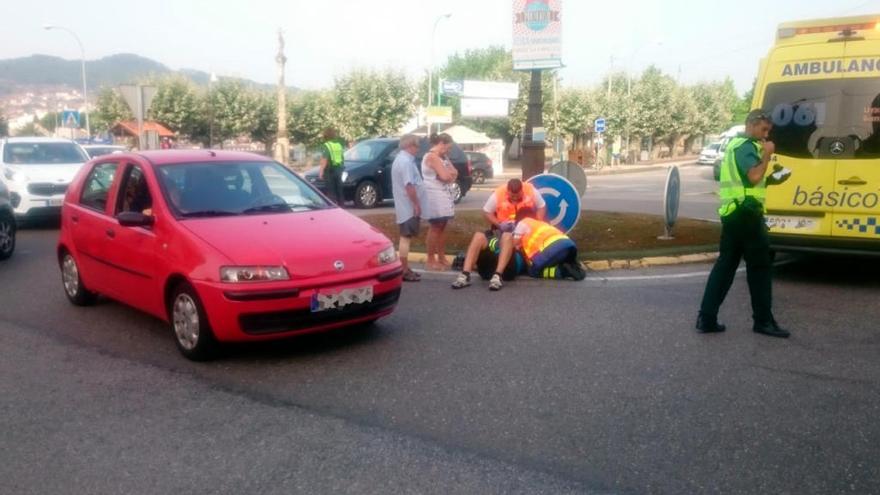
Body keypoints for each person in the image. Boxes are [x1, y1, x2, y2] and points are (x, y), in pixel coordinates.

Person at [696, 109, 790, 338]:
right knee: (759, 269)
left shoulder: (735, 146)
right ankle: (763, 322)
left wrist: (775, 177)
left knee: (725, 266)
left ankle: (706, 318)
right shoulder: (747, 146)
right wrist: (767, 155)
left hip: (734, 213)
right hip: (747, 214)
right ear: (752, 124)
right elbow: (754, 176)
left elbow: (751, 182)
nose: (765, 136)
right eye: (764, 129)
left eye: (768, 131)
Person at [452, 209, 585, 291]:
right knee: (479, 235)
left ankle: (497, 276)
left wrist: (507, 239)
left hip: (508, 270)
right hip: (489, 271)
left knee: (507, 237)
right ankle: (465, 274)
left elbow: (513, 243)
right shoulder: (541, 228)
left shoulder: (522, 227)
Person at [421, 133, 458, 271]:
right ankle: (431, 259)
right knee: (435, 226)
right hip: (434, 195)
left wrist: (448, 175)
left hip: (444, 194)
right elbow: (446, 176)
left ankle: (441, 257)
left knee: (443, 226)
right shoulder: (432, 157)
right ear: (441, 143)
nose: (449, 151)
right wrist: (448, 176)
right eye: (448, 147)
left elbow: (454, 173)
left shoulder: (443, 157)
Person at [390, 134, 424, 282]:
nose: (417, 149)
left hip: (405, 205)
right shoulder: (405, 162)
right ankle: (403, 269)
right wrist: (416, 204)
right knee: (406, 237)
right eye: (416, 146)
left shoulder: (403, 160)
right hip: (407, 206)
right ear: (409, 146)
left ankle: (405, 267)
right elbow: (409, 185)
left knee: (406, 236)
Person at [319, 127, 346, 206]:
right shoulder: (338, 144)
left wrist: (321, 171)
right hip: (339, 169)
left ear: (325, 135)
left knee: (331, 191)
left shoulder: (326, 145)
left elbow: (325, 159)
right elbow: (342, 157)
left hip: (330, 170)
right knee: (339, 190)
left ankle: (332, 207)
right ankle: (342, 206)